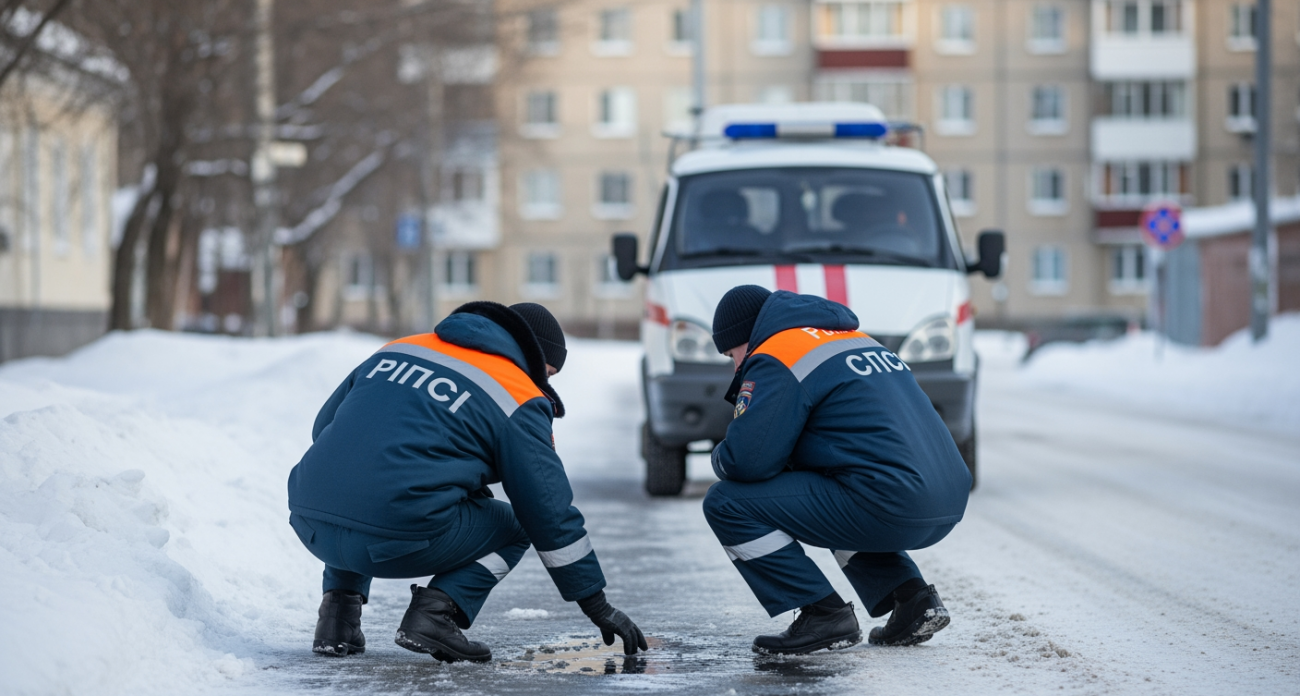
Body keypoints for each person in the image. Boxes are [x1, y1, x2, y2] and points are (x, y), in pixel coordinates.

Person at [287, 301, 647, 663]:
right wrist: (595, 603)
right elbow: (547, 509)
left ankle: (336, 618)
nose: (545, 383)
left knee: (356, 480)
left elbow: (324, 428)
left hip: (311, 522)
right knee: (518, 526)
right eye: (548, 374)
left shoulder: (399, 348)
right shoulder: (516, 392)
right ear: (534, 358)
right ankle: (435, 613)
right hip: (391, 540)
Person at [703, 285, 971, 654]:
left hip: (892, 502)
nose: (736, 367)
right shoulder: (856, 340)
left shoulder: (778, 352)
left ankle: (823, 613)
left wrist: (719, 455)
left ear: (744, 338)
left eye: (732, 355)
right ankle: (912, 599)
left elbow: (747, 461)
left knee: (725, 503)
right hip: (946, 498)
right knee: (830, 488)